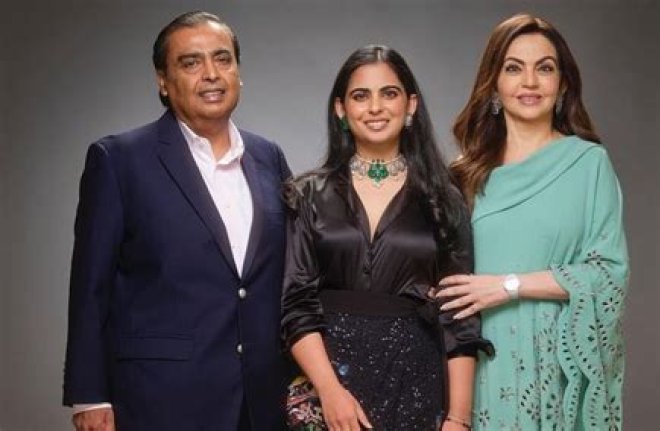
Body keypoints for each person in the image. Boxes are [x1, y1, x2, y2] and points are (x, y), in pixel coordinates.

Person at [62, 11, 290, 431]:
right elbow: (91, 287)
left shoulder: (268, 158)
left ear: (238, 73)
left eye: (223, 59)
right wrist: (89, 395)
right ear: (163, 82)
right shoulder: (119, 160)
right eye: (190, 62)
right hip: (160, 399)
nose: (211, 74)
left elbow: (293, 274)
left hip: (261, 400)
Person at [281, 44, 493, 431]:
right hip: (327, 385)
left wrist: (458, 419)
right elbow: (296, 305)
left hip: (415, 384)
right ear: (341, 109)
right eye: (361, 96)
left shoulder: (445, 198)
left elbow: (460, 316)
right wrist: (329, 391)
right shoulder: (306, 193)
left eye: (389, 93)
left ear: (410, 105)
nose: (375, 107)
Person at [436, 13, 630, 430]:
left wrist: (508, 286)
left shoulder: (588, 164)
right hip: (479, 367)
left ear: (562, 84)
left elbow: (608, 275)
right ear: (493, 84)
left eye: (544, 68)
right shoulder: (463, 176)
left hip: (554, 369)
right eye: (513, 68)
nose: (529, 82)